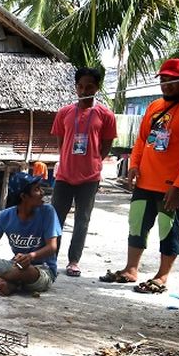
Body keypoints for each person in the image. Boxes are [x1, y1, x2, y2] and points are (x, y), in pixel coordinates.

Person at [100, 58, 179, 293]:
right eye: (164, 80)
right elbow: (141, 139)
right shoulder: (155, 106)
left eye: (173, 80)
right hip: (146, 180)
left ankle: (162, 276)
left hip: (172, 185)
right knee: (137, 224)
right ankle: (131, 269)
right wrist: (134, 165)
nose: (167, 85)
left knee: (168, 228)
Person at [51, 67, 117, 277]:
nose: (84, 90)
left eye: (89, 86)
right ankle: (51, 258)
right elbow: (61, 143)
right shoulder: (64, 113)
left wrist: (93, 161)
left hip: (89, 177)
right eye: (80, 86)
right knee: (55, 218)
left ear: (97, 88)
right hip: (64, 175)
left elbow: (105, 146)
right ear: (76, 87)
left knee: (82, 219)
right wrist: (68, 161)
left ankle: (73, 261)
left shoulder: (106, 115)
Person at [0, 172, 62, 296]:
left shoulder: (48, 212)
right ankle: (4, 283)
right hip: (16, 265)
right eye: (36, 189)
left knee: (23, 271)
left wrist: (31, 256)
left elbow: (52, 247)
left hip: (41, 270)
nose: (42, 192)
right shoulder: (5, 216)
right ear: (24, 196)